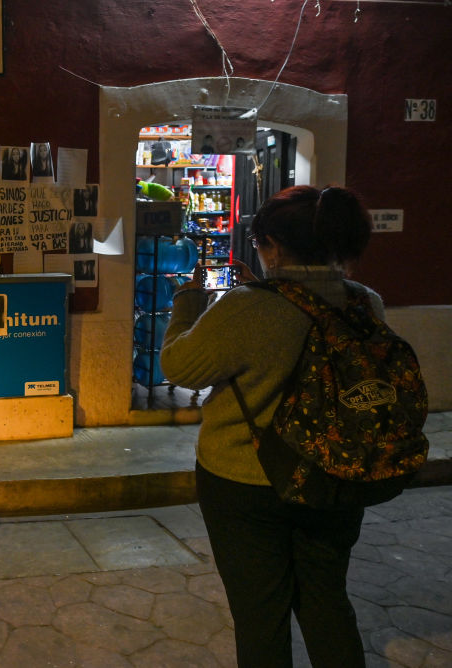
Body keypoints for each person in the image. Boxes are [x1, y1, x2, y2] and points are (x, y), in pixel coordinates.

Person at [160, 185, 377, 668]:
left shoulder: (248, 306)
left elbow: (179, 366)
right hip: (337, 475)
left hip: (248, 480)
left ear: (275, 245)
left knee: (261, 615)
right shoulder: (366, 303)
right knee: (326, 602)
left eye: (260, 244)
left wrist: (188, 303)